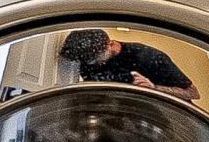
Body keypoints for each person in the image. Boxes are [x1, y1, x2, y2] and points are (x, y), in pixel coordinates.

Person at [58, 27, 200, 104]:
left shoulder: (148, 57)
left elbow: (193, 93)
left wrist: (154, 88)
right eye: (88, 60)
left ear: (111, 45)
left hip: (166, 114)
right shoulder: (87, 62)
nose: (92, 63)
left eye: (96, 59)